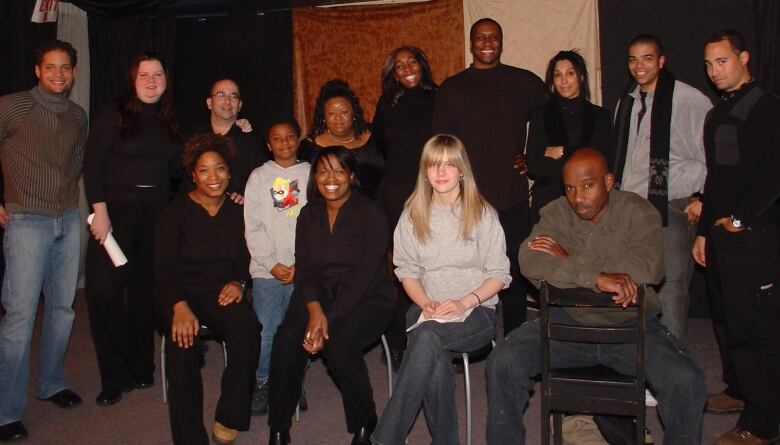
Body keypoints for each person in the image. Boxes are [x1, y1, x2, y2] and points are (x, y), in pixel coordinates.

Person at [486, 148, 707, 444]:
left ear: (608, 181)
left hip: (631, 325)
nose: (578, 198)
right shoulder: (556, 212)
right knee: (503, 362)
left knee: (687, 381)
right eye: (570, 188)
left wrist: (567, 259)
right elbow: (530, 259)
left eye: (588, 185)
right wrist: (597, 278)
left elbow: (647, 267)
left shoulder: (638, 211)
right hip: (567, 321)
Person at [371, 134, 511, 445]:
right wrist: (426, 303)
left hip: (476, 312)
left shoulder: (482, 213)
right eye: (434, 164)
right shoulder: (412, 214)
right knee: (429, 344)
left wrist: (463, 303)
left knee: (426, 338)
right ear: (424, 171)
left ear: (462, 170)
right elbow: (405, 271)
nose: (441, 171)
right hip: (426, 310)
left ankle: (386, 437)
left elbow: (500, 275)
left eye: (450, 164)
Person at [266, 147, 394, 445]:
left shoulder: (371, 214)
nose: (331, 178)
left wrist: (327, 319)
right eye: (323, 172)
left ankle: (365, 420)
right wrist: (315, 311)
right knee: (286, 339)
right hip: (317, 293)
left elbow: (363, 278)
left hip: (368, 297)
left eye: (339, 171)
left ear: (351, 175)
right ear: (315, 178)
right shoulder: (309, 213)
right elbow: (306, 268)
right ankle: (278, 425)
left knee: (339, 343)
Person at [433, 18, 547, 335]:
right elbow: (440, 145)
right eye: (481, 37)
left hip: (510, 196)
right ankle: (461, 338)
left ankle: (513, 341)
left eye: (493, 37)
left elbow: (552, 117)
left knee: (511, 273)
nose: (487, 42)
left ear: (501, 42)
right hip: (466, 200)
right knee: (462, 274)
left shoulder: (524, 82)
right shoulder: (452, 87)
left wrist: (535, 157)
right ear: (471, 44)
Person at [693, 29, 780, 445]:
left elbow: (773, 174)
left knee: (754, 328)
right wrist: (702, 231)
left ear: (744, 57)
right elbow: (717, 179)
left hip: (755, 237)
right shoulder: (719, 111)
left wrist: (741, 220)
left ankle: (762, 423)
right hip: (720, 234)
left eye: (722, 61)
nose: (715, 71)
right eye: (709, 64)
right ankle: (738, 389)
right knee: (727, 319)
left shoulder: (765, 107)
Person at [0, 40, 87, 442]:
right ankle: (5, 410)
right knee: (19, 317)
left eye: (65, 67)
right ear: (38, 70)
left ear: (73, 71)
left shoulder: (77, 115)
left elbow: (74, 164)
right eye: (50, 67)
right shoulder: (13, 106)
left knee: (63, 308)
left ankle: (51, 381)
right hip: (25, 221)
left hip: (67, 219)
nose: (58, 74)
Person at [83, 53, 181, 406]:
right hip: (114, 217)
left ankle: (141, 367)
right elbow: (92, 163)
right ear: (132, 79)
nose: (152, 80)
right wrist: (99, 212)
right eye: (144, 75)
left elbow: (182, 167)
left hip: (155, 217)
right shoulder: (114, 112)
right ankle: (114, 376)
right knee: (103, 294)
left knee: (143, 298)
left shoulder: (170, 119)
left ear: (166, 80)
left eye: (158, 74)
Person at [154, 133, 260, 445]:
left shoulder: (239, 210)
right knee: (182, 343)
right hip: (176, 292)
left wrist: (238, 281)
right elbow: (162, 269)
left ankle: (230, 415)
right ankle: (189, 437)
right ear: (192, 174)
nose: (213, 177)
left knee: (247, 327)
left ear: (229, 172)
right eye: (204, 170)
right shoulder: (174, 213)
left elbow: (246, 255)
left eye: (220, 169)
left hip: (219, 291)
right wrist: (178, 305)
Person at [611, 34, 712, 344]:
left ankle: (671, 371)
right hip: (632, 209)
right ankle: (644, 365)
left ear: (662, 61)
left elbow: (712, 156)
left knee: (671, 290)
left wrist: (703, 197)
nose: (639, 66)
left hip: (672, 207)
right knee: (636, 288)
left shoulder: (689, 100)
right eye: (632, 59)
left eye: (647, 58)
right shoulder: (626, 102)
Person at [373, 45, 437, 368]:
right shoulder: (386, 104)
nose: (407, 68)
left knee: (431, 267)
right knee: (400, 270)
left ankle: (433, 339)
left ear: (422, 65)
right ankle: (397, 342)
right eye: (399, 65)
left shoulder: (439, 98)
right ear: (392, 73)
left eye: (412, 61)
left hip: (430, 192)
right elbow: (378, 147)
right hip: (395, 193)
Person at [244, 116, 310, 415]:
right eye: (277, 138)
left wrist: (302, 264)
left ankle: (293, 380)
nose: (284, 142)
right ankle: (262, 381)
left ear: (299, 139)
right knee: (267, 330)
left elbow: (316, 224)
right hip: (266, 271)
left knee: (298, 328)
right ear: (269, 145)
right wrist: (271, 264)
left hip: (302, 270)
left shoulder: (311, 173)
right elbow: (252, 226)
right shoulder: (258, 177)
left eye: (290, 136)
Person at [525, 50, 611, 224]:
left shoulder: (600, 116)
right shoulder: (540, 115)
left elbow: (602, 161)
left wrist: (562, 151)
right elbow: (533, 165)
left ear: (581, 77)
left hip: (589, 202)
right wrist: (579, 155)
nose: (563, 81)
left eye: (570, 73)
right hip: (548, 201)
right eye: (557, 75)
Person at [298, 79, 384, 199]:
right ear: (324, 116)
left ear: (354, 113)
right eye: (331, 113)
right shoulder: (310, 147)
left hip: (374, 210)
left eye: (344, 112)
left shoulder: (374, 137)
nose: (338, 118)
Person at [204, 78, 267, 200]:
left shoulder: (253, 145)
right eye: (220, 95)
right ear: (209, 103)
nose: (227, 101)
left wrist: (245, 193)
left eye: (233, 96)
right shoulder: (195, 142)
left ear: (239, 105)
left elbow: (263, 182)